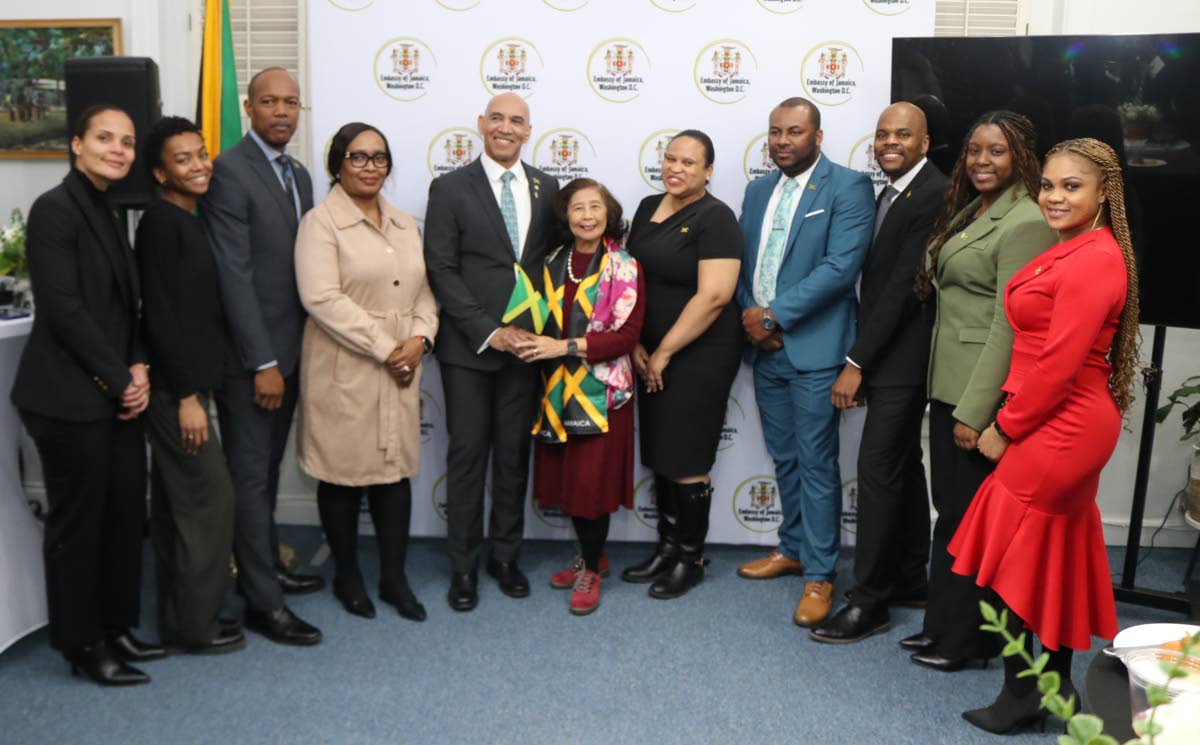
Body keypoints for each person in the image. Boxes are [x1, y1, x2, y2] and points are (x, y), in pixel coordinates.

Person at [951, 138, 1137, 733]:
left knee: (1005, 558)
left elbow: (1058, 365)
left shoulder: (1094, 259)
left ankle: (1022, 693)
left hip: (1063, 423)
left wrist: (1004, 427)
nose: (1055, 197)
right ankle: (1050, 693)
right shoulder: (1073, 248)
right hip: (1052, 415)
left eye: (1071, 186)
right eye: (1049, 186)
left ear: (1103, 193)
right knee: (1042, 560)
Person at [11, 105, 161, 685]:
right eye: (104, 138)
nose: (118, 149)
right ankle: (82, 644)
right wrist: (120, 379)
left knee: (125, 519)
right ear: (76, 144)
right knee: (79, 529)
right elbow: (65, 312)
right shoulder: (55, 210)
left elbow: (125, 306)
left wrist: (139, 365)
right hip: (68, 401)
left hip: (116, 394)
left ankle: (117, 626)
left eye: (126, 142)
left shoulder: (107, 207)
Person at [905, 110, 1056, 672]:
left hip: (977, 395)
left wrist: (976, 411)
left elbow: (1009, 322)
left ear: (1021, 155)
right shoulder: (976, 207)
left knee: (971, 520)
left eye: (996, 151)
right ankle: (944, 626)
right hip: (947, 383)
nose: (981, 161)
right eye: (974, 151)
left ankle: (970, 638)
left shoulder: (1026, 222)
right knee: (953, 515)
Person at [734, 98, 875, 627]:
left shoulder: (847, 186)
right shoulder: (757, 189)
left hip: (814, 350)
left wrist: (773, 317)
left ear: (818, 135)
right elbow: (747, 261)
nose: (783, 141)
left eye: (795, 131)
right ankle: (792, 548)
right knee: (787, 458)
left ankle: (820, 573)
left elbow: (841, 268)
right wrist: (753, 315)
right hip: (765, 350)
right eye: (775, 132)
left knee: (817, 464)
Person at [811, 103, 948, 643]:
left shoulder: (933, 193)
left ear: (925, 141)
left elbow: (902, 291)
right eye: (882, 133)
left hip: (904, 358)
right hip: (890, 354)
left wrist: (856, 362)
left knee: (876, 471)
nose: (889, 142)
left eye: (903, 134)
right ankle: (911, 578)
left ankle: (870, 603)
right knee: (903, 469)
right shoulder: (894, 190)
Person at [294, 122, 438, 622]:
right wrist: (387, 348)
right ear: (338, 164)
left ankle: (394, 579)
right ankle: (348, 577)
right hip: (346, 365)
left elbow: (423, 290)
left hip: (401, 363)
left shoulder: (403, 224)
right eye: (358, 157)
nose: (370, 166)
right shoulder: (321, 223)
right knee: (342, 477)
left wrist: (421, 339)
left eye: (379, 158)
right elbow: (321, 299)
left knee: (392, 474)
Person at [423, 93, 561, 612]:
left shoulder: (549, 188)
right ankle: (463, 566)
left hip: (528, 350)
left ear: (529, 131)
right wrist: (488, 330)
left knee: (512, 457)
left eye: (517, 121)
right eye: (497, 118)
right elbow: (441, 268)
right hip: (469, 351)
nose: (506, 128)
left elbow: (552, 261)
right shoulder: (450, 187)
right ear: (481, 125)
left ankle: (506, 556)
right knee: (466, 459)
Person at [203, 66, 322, 646]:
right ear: (248, 108)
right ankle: (261, 603)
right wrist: (262, 362)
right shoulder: (227, 172)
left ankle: (264, 569)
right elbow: (233, 275)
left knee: (266, 472)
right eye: (269, 102)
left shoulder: (298, 173)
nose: (281, 111)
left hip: (294, 354)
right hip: (255, 362)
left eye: (291, 102)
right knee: (249, 478)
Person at [136, 116, 244, 655]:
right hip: (175, 393)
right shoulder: (160, 224)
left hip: (188, 387)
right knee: (208, 503)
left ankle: (183, 621)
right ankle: (196, 628)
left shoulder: (185, 218)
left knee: (181, 505)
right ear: (160, 172)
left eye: (202, 154)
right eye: (183, 159)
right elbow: (159, 318)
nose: (200, 165)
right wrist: (185, 397)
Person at [621, 129, 742, 600]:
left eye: (689, 162)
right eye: (670, 158)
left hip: (699, 352)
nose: (676, 168)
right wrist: (634, 344)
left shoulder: (717, 218)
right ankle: (666, 548)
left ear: (708, 171)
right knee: (660, 451)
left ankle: (689, 559)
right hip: (649, 351)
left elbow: (715, 296)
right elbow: (628, 280)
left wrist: (665, 351)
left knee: (687, 455)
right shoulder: (649, 207)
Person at [515, 178, 645, 616]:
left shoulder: (624, 266)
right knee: (572, 481)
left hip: (602, 395)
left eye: (595, 207)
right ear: (565, 217)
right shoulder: (553, 261)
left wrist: (563, 348)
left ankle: (590, 568)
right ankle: (594, 556)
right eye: (577, 208)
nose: (587, 216)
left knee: (593, 484)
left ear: (609, 213)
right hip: (555, 390)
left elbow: (626, 337)